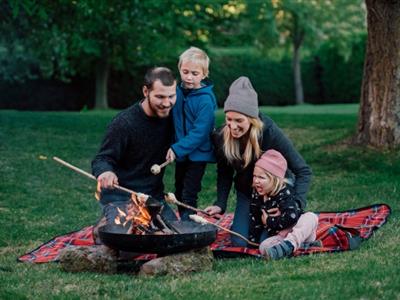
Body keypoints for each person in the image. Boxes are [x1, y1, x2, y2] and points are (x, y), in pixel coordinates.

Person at [204, 76, 312, 247]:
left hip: (276, 193)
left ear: (252, 119)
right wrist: (220, 204)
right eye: (229, 119)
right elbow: (224, 173)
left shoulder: (269, 132)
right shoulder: (221, 136)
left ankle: (304, 224)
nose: (232, 126)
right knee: (240, 242)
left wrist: (295, 204)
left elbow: (303, 171)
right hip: (248, 193)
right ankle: (267, 225)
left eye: (239, 120)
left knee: (268, 241)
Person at [92, 67, 178, 224]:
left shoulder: (174, 118)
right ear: (146, 91)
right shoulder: (124, 123)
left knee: (176, 236)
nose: (167, 103)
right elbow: (102, 159)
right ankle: (105, 223)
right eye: (160, 97)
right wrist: (105, 172)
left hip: (153, 198)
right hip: (121, 197)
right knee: (128, 243)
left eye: (171, 96)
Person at [166, 47, 217, 221]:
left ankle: (189, 226)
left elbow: (200, 133)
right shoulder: (176, 92)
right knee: (179, 189)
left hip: (197, 155)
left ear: (204, 74)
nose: (189, 77)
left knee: (189, 191)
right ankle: (184, 220)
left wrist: (177, 148)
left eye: (194, 73)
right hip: (181, 154)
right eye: (185, 71)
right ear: (179, 69)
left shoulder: (205, 100)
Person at [249, 149, 318, 260]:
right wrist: (252, 241)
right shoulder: (257, 194)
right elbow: (254, 216)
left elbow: (292, 217)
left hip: (298, 229)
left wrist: (268, 221)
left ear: (275, 180)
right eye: (254, 176)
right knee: (263, 247)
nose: (256, 181)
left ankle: (291, 245)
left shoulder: (285, 194)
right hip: (280, 237)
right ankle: (298, 246)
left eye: (261, 177)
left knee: (311, 217)